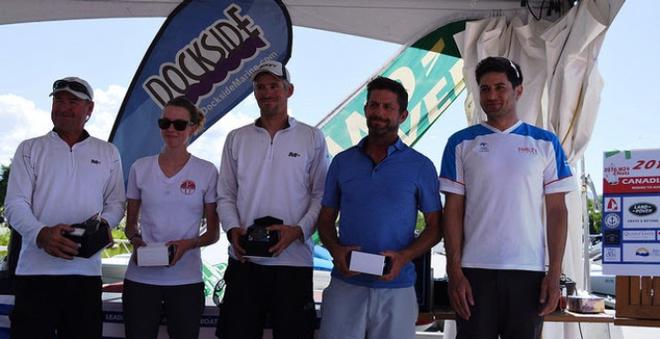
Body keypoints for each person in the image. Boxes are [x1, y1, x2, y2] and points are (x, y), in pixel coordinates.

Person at [439, 56, 575, 339]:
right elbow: (451, 210)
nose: (492, 95)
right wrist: (454, 271)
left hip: (528, 272)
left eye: (500, 87)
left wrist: (554, 274)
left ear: (518, 90)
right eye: (485, 89)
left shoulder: (546, 143)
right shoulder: (460, 142)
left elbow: (557, 212)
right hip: (473, 272)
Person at [317, 76, 443, 339]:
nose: (379, 113)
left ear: (403, 114)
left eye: (388, 107)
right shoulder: (341, 162)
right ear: (365, 109)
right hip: (345, 284)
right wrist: (336, 250)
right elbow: (325, 220)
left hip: (397, 287)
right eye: (374, 105)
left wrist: (403, 258)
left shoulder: (421, 166)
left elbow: (435, 228)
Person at [4, 77, 126, 339]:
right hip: (35, 273)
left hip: (85, 273)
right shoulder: (29, 148)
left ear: (89, 109)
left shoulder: (108, 152)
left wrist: (101, 226)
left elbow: (116, 203)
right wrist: (41, 234)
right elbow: (14, 204)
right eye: (58, 100)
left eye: (73, 101)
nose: (63, 107)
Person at [216, 60, 329, 339]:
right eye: (260, 87)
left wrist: (298, 231)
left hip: (293, 263)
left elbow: (321, 195)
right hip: (244, 262)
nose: (267, 93)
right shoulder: (236, 138)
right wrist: (232, 231)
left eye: (274, 86)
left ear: (289, 90)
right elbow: (226, 193)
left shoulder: (312, 137)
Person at [122, 96, 219, 338]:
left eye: (179, 124)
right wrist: (136, 241)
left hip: (186, 280)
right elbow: (130, 225)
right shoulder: (140, 168)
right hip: (141, 278)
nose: (171, 130)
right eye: (165, 123)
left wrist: (188, 245)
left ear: (193, 128)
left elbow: (213, 234)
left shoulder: (206, 171)